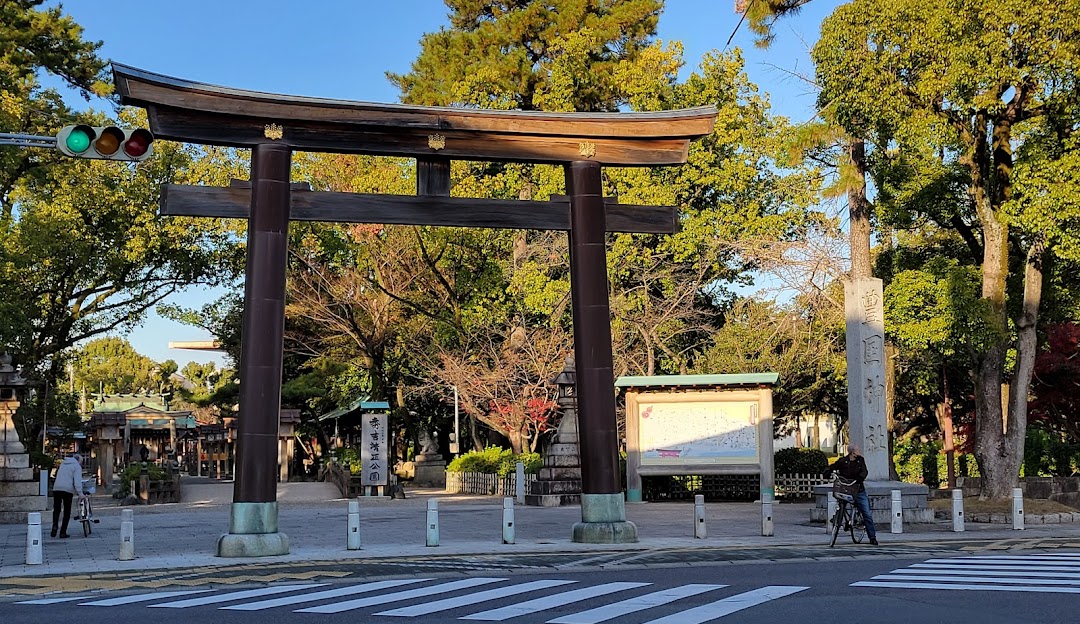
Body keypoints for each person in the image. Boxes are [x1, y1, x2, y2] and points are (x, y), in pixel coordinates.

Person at [826, 444, 879, 545]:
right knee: (841, 503)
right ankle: (838, 520)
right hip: (845, 488)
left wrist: (860, 478)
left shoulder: (860, 461)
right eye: (858, 450)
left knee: (866, 513)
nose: (859, 451)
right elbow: (833, 466)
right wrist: (828, 471)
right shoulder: (843, 461)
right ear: (853, 453)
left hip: (858, 489)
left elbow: (864, 471)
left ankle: (872, 537)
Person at [51, 454, 86, 538]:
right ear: (79, 461)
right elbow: (77, 481)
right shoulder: (76, 466)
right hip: (67, 490)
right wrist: (80, 493)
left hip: (57, 488)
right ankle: (63, 532)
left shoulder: (63, 464)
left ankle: (55, 525)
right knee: (67, 511)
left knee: (56, 509)